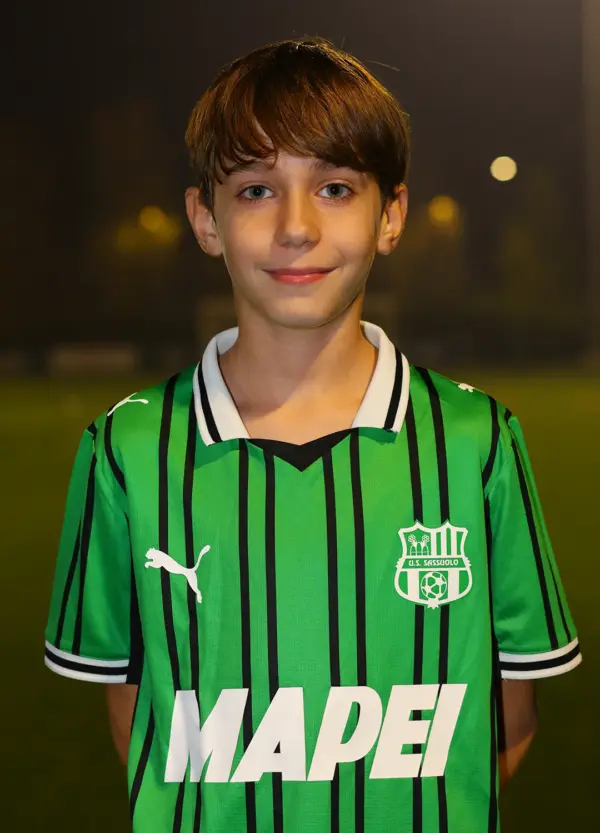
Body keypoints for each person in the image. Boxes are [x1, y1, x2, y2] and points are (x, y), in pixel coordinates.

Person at [44, 35, 581, 833]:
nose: (295, 227)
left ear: (390, 215)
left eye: (334, 187)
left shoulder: (477, 442)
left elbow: (505, 726)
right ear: (206, 219)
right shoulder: (127, 451)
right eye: (256, 189)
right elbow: (144, 730)